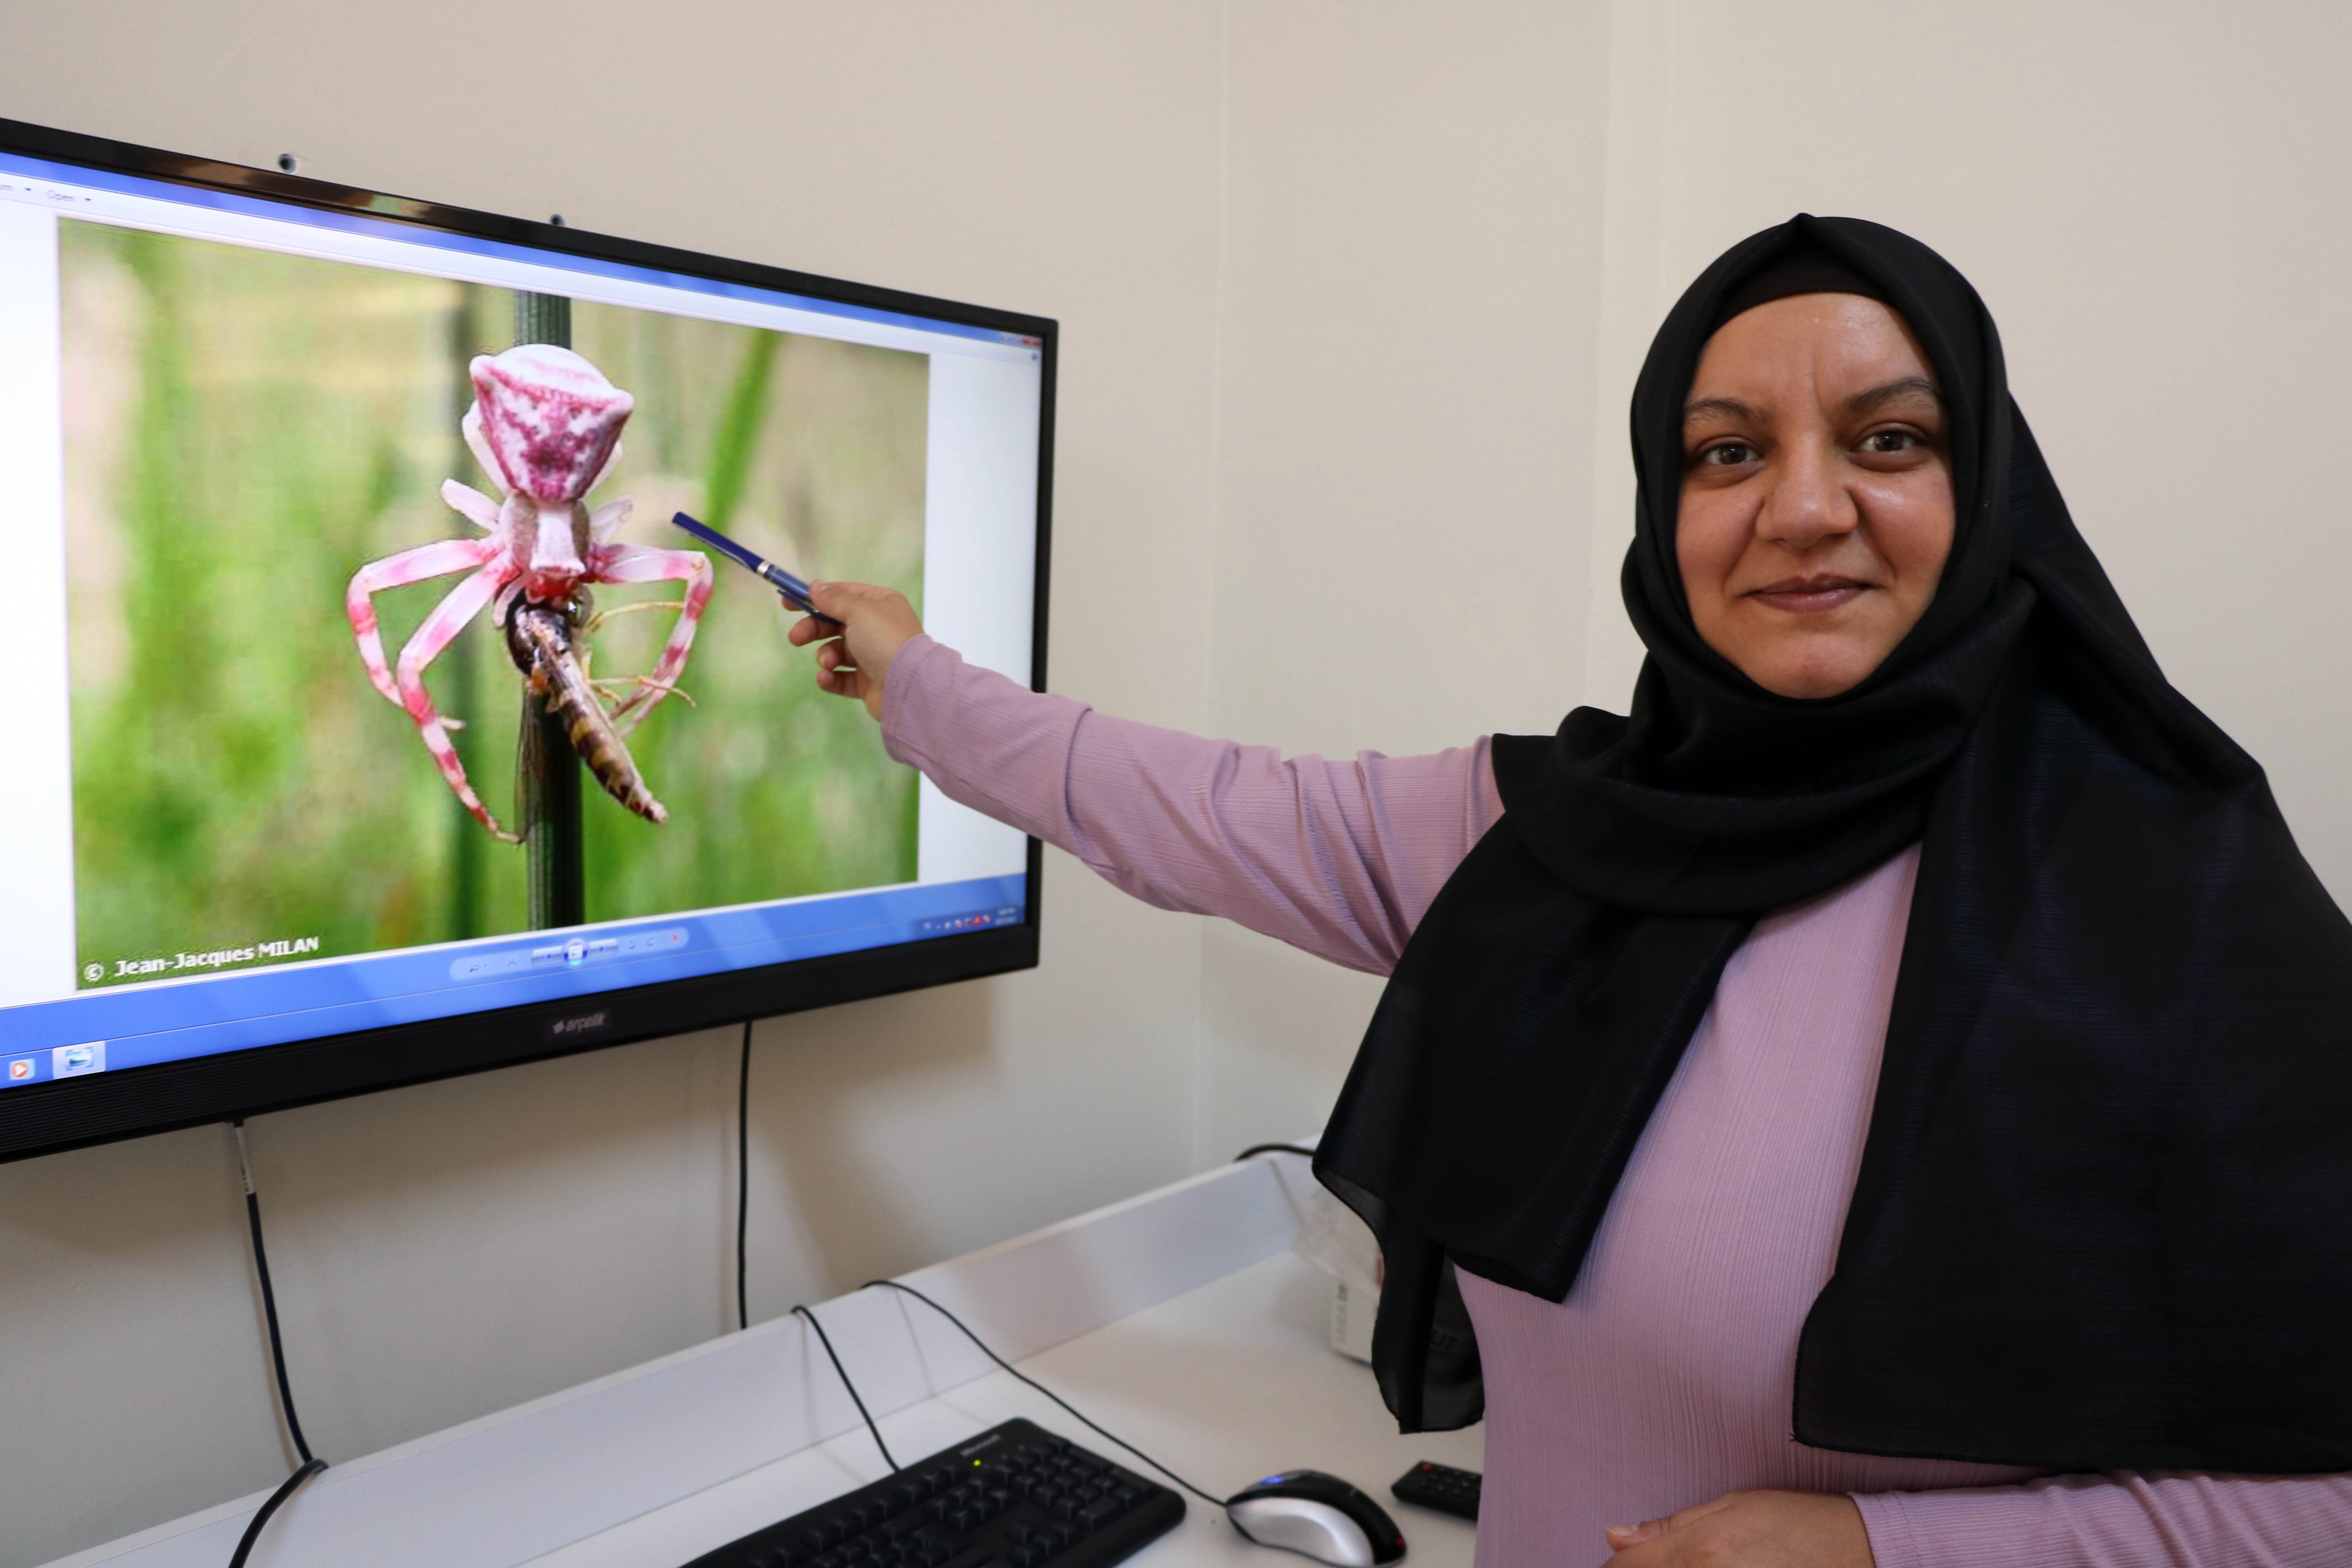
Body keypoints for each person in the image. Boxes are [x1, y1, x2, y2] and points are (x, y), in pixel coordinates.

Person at [783, 217, 2352, 1566]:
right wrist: (916, 677)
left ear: (1993, 487)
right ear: (1667, 519)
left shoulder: (2178, 909)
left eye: (1889, 438)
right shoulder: (1556, 837)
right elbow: (1193, 803)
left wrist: (1893, 1546)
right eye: (1727, 451)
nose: (1803, 508)